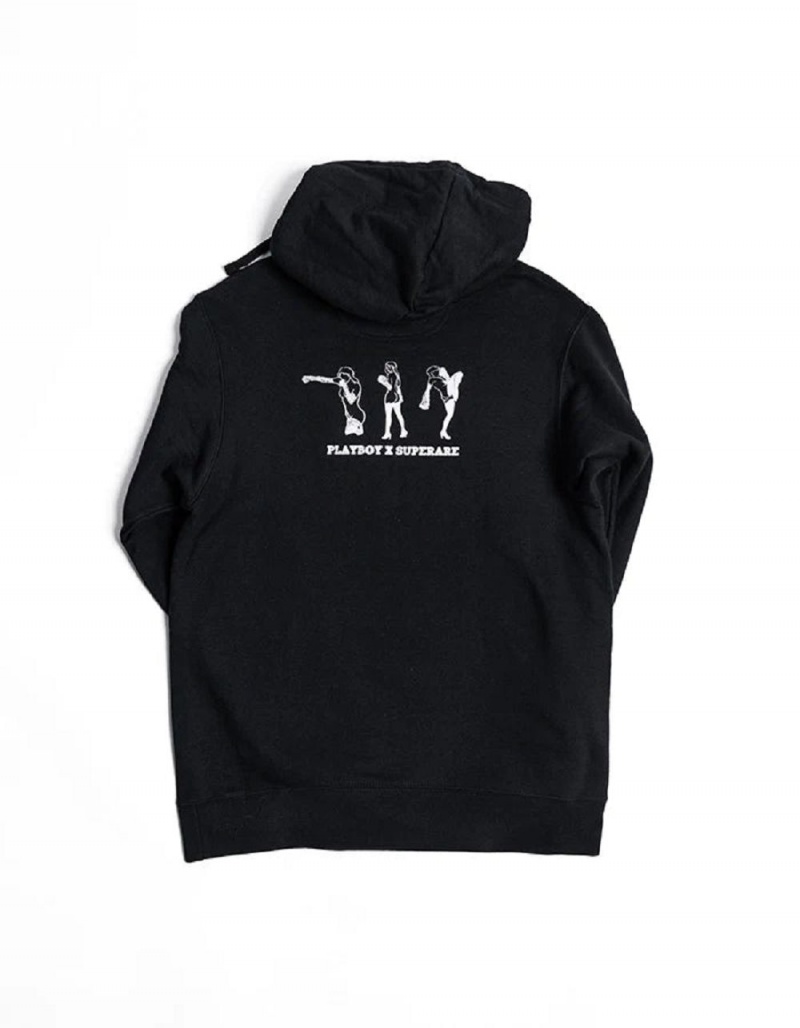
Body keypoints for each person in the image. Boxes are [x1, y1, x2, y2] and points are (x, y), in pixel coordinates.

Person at [302, 366, 366, 435]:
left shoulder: (355, 386)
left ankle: (358, 429)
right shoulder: (340, 380)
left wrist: (345, 386)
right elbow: (325, 380)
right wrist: (309, 378)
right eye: (340, 376)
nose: (341, 378)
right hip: (349, 418)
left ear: (349, 376)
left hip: (356, 416)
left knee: (348, 434)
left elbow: (351, 400)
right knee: (346, 434)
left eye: (343, 376)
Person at [419, 366, 463, 439]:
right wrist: (426, 401)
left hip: (447, 395)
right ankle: (443, 431)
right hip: (448, 395)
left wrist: (426, 400)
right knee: (449, 415)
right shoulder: (433, 379)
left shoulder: (435, 379)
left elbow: (428, 391)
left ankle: (443, 431)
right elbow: (428, 391)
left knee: (449, 415)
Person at [377, 361, 408, 440]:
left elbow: (390, 387)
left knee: (390, 416)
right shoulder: (396, 375)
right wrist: (400, 396)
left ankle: (388, 433)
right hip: (395, 397)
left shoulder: (392, 376)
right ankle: (402, 431)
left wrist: (383, 382)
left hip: (391, 397)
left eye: (387, 367)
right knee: (398, 415)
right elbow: (398, 387)